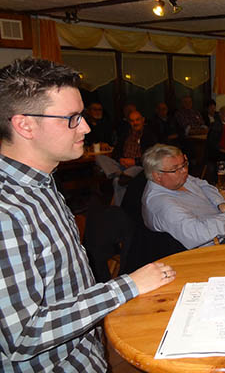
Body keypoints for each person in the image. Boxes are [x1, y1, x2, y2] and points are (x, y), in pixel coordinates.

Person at [0, 58, 175, 372]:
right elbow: (24, 335)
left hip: (84, 356)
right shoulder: (6, 212)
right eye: (72, 118)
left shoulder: (41, 182)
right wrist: (129, 285)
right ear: (24, 124)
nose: (86, 127)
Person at [142, 144, 225, 249]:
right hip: (214, 248)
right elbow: (199, 234)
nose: (184, 171)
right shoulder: (162, 204)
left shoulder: (176, 179)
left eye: (184, 164)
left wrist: (220, 203)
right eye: (175, 169)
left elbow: (204, 185)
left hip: (224, 227)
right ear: (157, 175)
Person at [96, 109, 158, 205]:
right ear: (129, 122)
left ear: (143, 120)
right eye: (132, 121)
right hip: (122, 164)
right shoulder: (125, 134)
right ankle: (119, 173)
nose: (135, 123)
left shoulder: (149, 135)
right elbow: (115, 152)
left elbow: (151, 157)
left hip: (138, 166)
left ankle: (118, 208)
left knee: (117, 181)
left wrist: (134, 162)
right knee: (99, 157)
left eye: (137, 120)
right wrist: (120, 159)